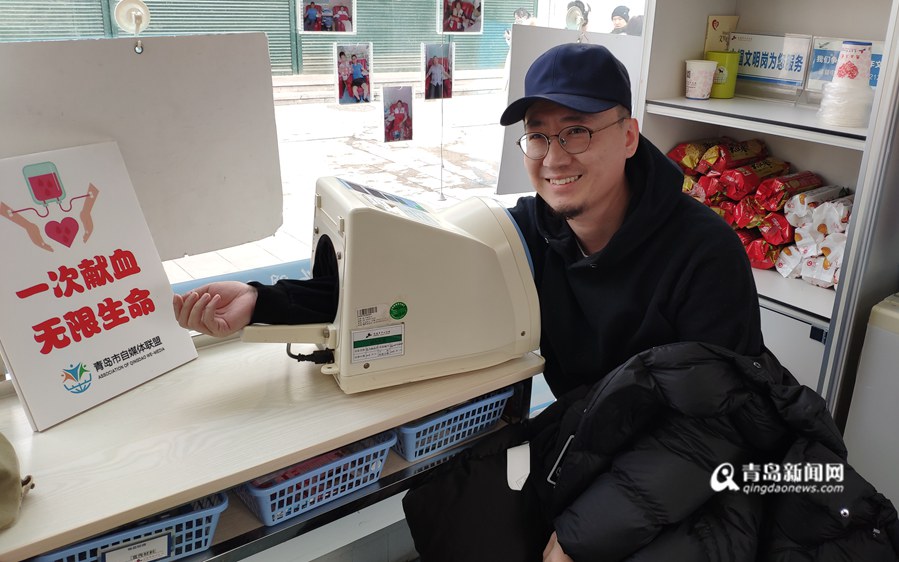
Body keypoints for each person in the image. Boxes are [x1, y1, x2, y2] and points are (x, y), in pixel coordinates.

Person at [173, 43, 770, 559]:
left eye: (577, 131)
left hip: (695, 464)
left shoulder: (704, 252)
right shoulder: (533, 230)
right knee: (447, 507)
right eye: (538, 134)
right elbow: (401, 282)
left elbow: (716, 425)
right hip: (587, 438)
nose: (553, 157)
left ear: (630, 136)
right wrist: (262, 301)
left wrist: (588, 532)